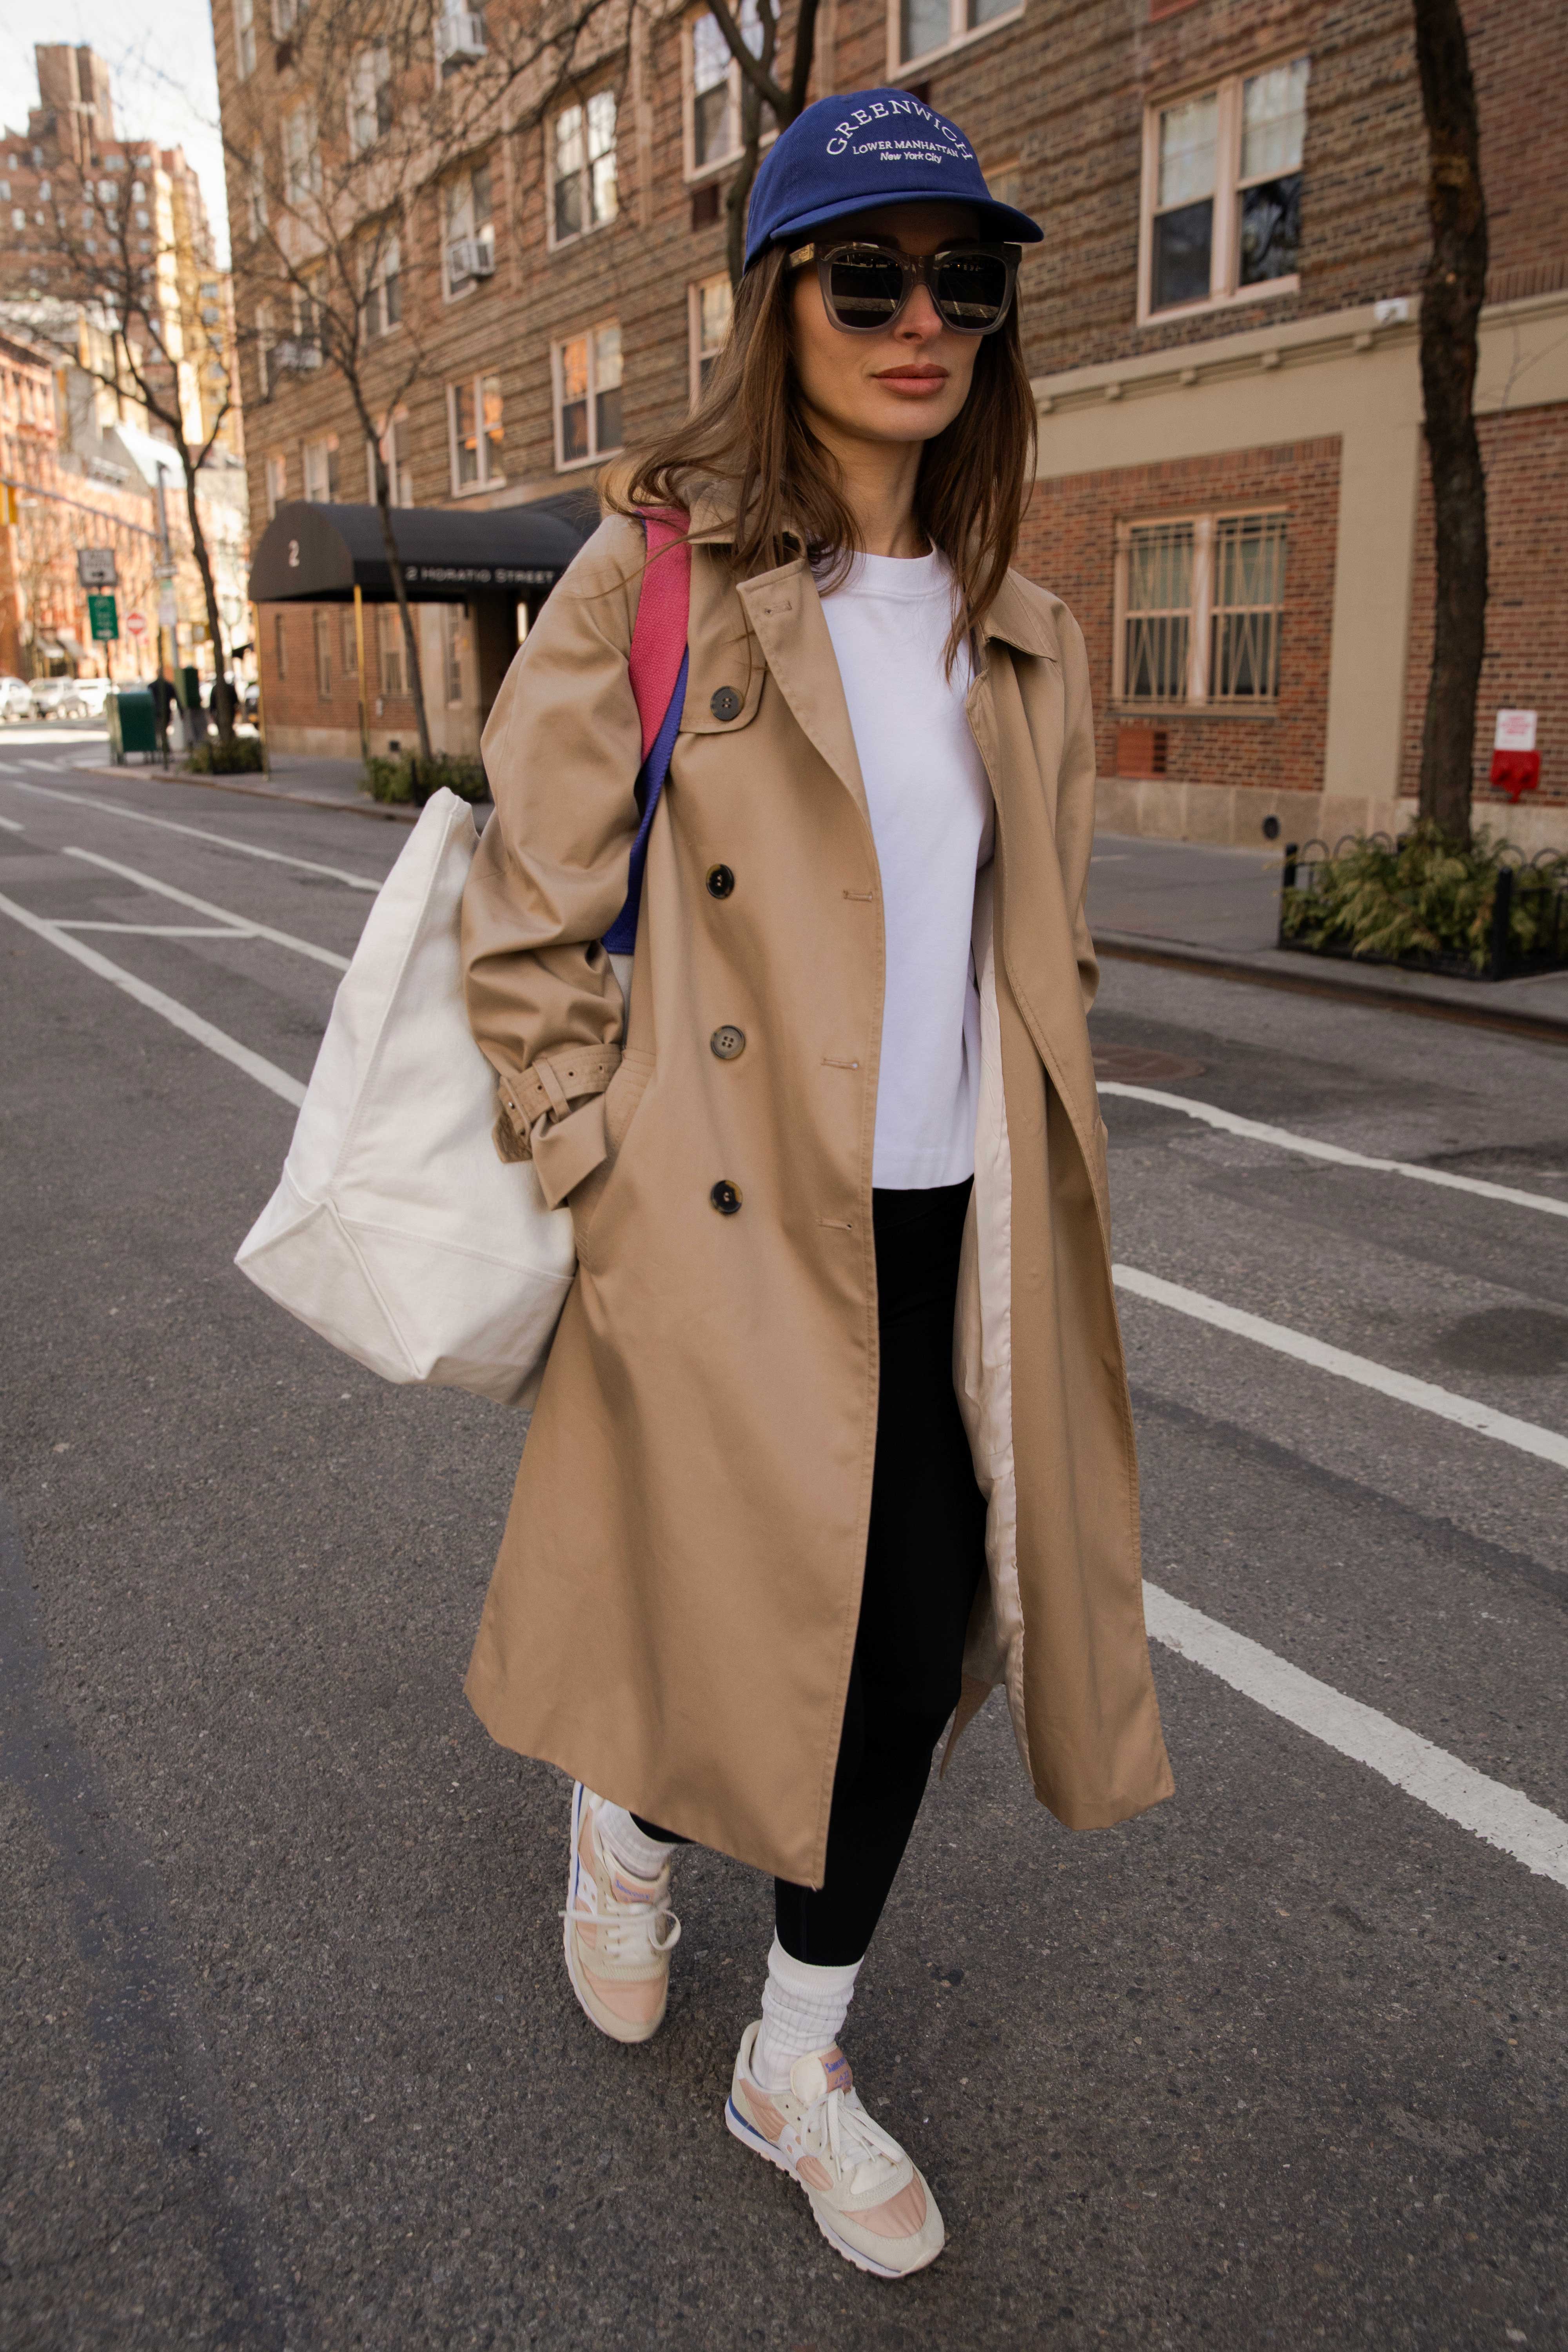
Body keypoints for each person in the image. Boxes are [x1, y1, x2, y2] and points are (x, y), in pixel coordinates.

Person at [461, 89, 1173, 2281]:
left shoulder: (1015, 627)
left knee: (902, 1659)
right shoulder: (656, 578)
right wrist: (604, 1184)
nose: (923, 319)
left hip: (951, 1240)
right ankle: (632, 1811)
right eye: (870, 274)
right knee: (730, 1627)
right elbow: (528, 926)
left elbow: (1020, 954)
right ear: (778, 303)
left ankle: (802, 2054)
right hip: (725, 1229)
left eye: (967, 281)